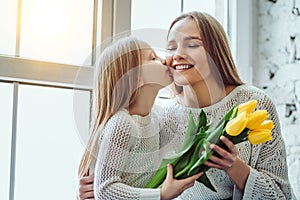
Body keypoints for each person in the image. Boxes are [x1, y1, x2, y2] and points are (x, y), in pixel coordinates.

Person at [78, 12, 294, 199]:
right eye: (170, 47)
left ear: (215, 52)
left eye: (192, 44)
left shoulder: (255, 104)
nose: (176, 55)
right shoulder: (161, 119)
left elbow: (280, 194)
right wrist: (90, 193)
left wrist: (234, 166)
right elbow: (129, 184)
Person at [77, 36, 202, 200]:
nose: (164, 61)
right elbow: (104, 189)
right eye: (153, 58)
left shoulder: (157, 117)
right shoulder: (122, 124)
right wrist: (162, 195)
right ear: (136, 78)